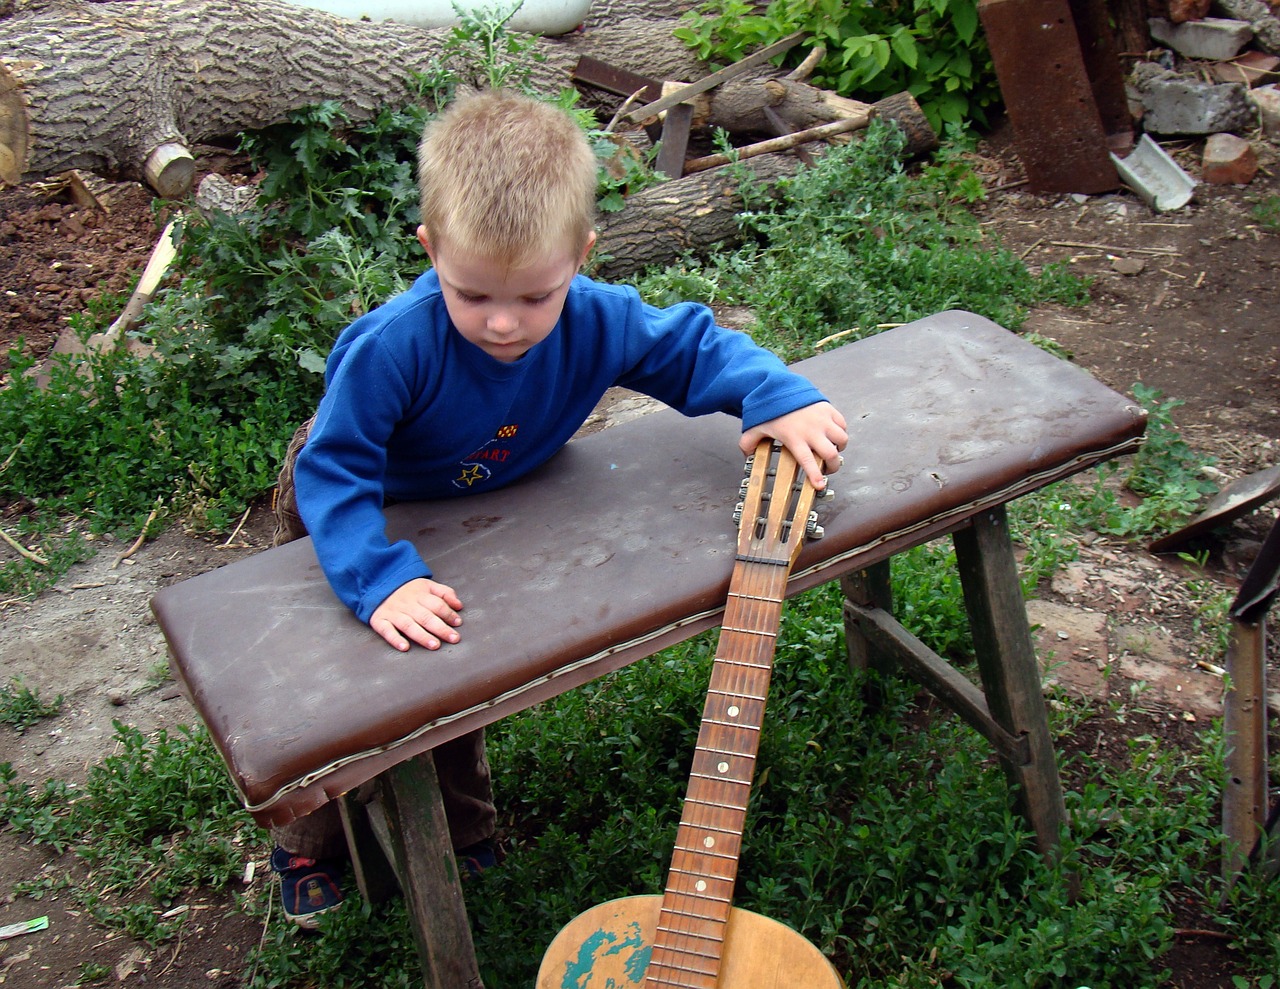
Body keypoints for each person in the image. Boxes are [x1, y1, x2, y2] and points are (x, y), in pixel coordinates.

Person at [268, 88, 848, 929]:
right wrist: (377, 577)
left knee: (452, 676)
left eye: (535, 298)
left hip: (475, 501)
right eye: (471, 295)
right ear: (431, 250)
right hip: (358, 505)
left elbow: (690, 347)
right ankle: (309, 839)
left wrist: (775, 393)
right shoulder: (392, 346)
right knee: (338, 692)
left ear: (581, 254)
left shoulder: (597, 318)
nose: (504, 323)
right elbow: (338, 468)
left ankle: (460, 827)